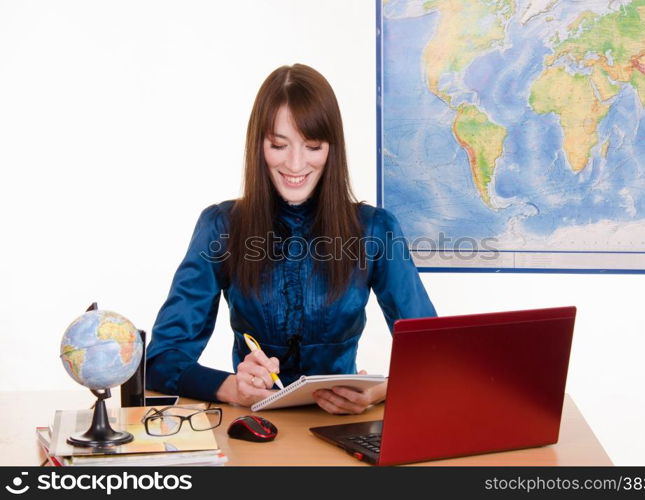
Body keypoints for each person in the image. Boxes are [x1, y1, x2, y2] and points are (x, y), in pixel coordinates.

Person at [146, 63, 436, 414]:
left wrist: (378, 392)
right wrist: (231, 389)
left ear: (332, 149)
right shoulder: (221, 226)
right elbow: (162, 359)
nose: (296, 165)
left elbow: (433, 354)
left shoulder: (375, 229)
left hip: (340, 429)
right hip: (253, 431)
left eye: (313, 146)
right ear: (259, 145)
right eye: (279, 145)